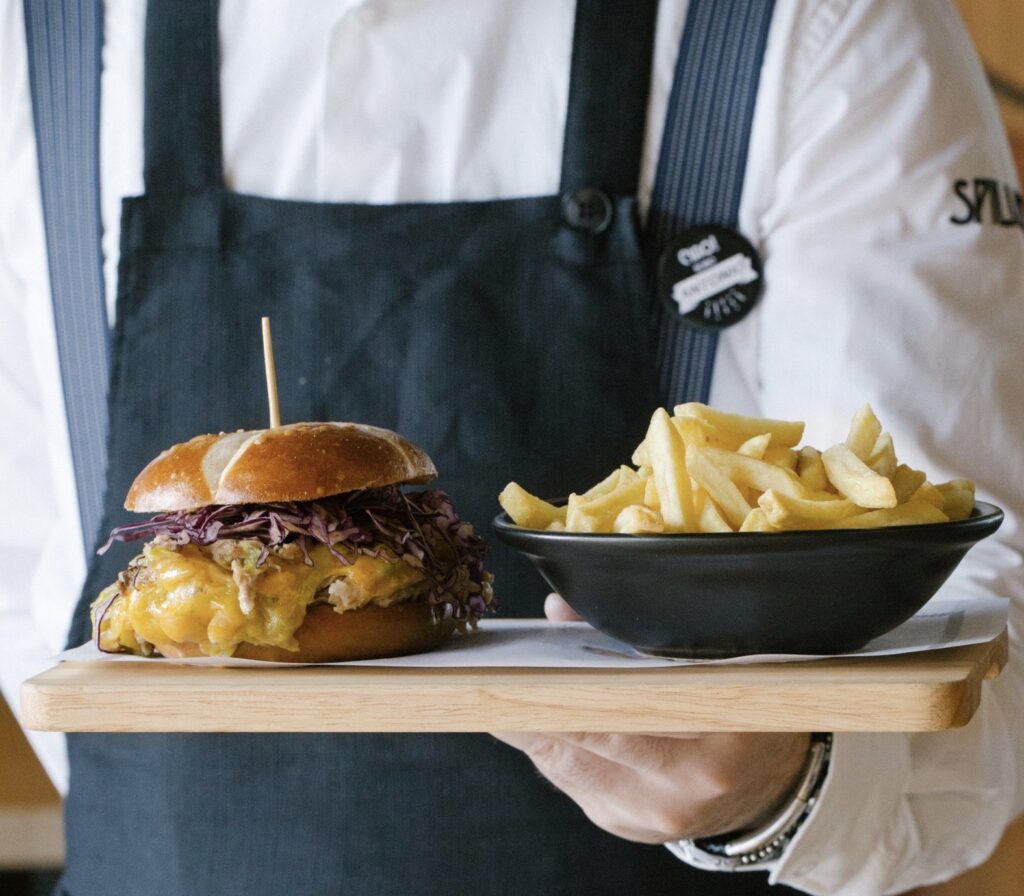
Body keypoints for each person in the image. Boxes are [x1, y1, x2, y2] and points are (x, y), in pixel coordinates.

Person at [0, 1, 1021, 894]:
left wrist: (787, 784)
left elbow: (983, 585)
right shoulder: (33, 41)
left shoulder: (819, 22)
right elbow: (23, 565)